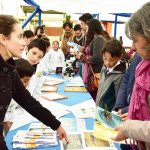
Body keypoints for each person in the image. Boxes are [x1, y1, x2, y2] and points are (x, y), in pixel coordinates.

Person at [0, 14, 68, 149]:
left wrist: (56, 124)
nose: (24, 43)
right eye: (19, 37)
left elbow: (28, 101)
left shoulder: (9, 70)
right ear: (3, 39)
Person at [112, 2, 150, 150]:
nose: (132, 47)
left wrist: (130, 128)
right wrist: (134, 115)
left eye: (135, 39)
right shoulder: (143, 64)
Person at [76, 19, 105, 100]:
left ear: (92, 28)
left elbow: (97, 58)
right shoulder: (95, 38)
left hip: (94, 74)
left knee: (93, 98)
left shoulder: (99, 39)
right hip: (91, 73)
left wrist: (82, 56)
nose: (86, 29)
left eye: (88, 27)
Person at [3, 58, 34, 134]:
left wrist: (12, 118)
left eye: (26, 81)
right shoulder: (4, 91)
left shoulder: (22, 91)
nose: (23, 84)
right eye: (21, 81)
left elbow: (24, 107)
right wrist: (6, 120)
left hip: (14, 121)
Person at [96, 39, 126, 111]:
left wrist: (113, 114)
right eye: (105, 58)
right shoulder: (104, 68)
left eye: (112, 60)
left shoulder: (120, 75)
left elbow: (119, 99)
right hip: (99, 109)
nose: (107, 63)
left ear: (120, 57)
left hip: (109, 113)